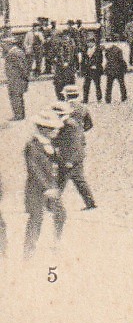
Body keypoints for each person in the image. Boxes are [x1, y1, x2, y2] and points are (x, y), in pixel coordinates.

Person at [23, 108, 66, 255]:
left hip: (52, 188)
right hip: (36, 189)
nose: (55, 131)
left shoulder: (51, 144)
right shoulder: (32, 145)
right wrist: (47, 187)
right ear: (42, 129)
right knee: (36, 220)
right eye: (51, 129)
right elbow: (34, 169)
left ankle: (56, 242)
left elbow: (57, 164)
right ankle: (29, 252)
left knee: (60, 214)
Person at [54, 86, 95, 210]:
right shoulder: (83, 107)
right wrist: (80, 131)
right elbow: (89, 124)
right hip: (79, 145)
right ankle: (90, 202)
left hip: (68, 151)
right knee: (79, 178)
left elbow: (58, 131)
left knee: (60, 180)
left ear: (66, 96)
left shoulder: (64, 109)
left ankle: (52, 204)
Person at [5, 35, 28, 121]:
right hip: (17, 79)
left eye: (5, 44)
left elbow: (21, 67)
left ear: (9, 44)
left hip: (16, 79)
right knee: (18, 96)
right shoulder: (18, 52)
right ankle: (20, 114)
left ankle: (18, 115)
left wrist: (23, 78)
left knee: (15, 97)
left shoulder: (13, 53)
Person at [102, 39, 128, 104]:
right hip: (118, 69)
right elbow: (121, 59)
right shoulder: (119, 50)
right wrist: (125, 67)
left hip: (110, 69)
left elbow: (107, 58)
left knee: (109, 85)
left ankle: (108, 99)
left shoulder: (107, 50)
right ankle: (124, 97)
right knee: (122, 84)